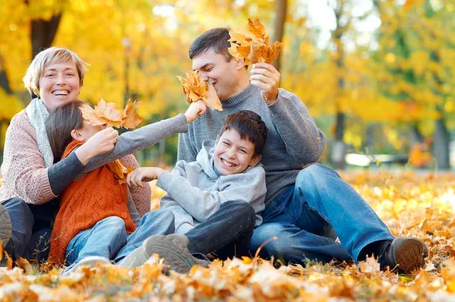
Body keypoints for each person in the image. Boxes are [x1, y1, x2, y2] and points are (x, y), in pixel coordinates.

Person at [176, 28, 426, 273]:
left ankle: (381, 246)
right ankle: (372, 256)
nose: (201, 78)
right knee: (273, 241)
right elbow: (186, 181)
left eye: (208, 69)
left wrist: (274, 102)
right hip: (252, 223)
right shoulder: (197, 117)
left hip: (299, 204)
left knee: (313, 174)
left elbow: (310, 153)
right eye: (196, 71)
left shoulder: (279, 98)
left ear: (239, 60)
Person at [0, 47, 148, 264]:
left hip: (64, 221)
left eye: (69, 74)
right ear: (37, 85)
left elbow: (132, 178)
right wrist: (85, 152)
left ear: (80, 85)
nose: (61, 81)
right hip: (26, 209)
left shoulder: (93, 123)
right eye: (50, 74)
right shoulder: (23, 124)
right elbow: (32, 190)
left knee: (47, 241)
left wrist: (141, 222)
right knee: (16, 213)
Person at [44, 99, 206, 271]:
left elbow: (129, 212)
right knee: (114, 223)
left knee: (163, 217)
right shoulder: (79, 156)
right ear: (78, 135)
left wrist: (141, 230)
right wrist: (185, 118)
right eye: (92, 116)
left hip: (120, 237)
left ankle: (123, 262)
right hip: (81, 241)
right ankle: (84, 268)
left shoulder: (114, 164)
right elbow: (135, 140)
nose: (101, 118)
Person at [116, 110, 268, 273]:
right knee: (162, 217)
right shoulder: (186, 169)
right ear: (217, 141)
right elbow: (172, 209)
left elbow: (211, 211)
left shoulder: (253, 179)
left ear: (253, 159)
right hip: (187, 247)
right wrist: (189, 235)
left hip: (227, 251)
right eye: (226, 144)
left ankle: (181, 250)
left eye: (242, 151)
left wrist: (161, 175)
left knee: (243, 210)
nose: (231, 154)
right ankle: (185, 258)